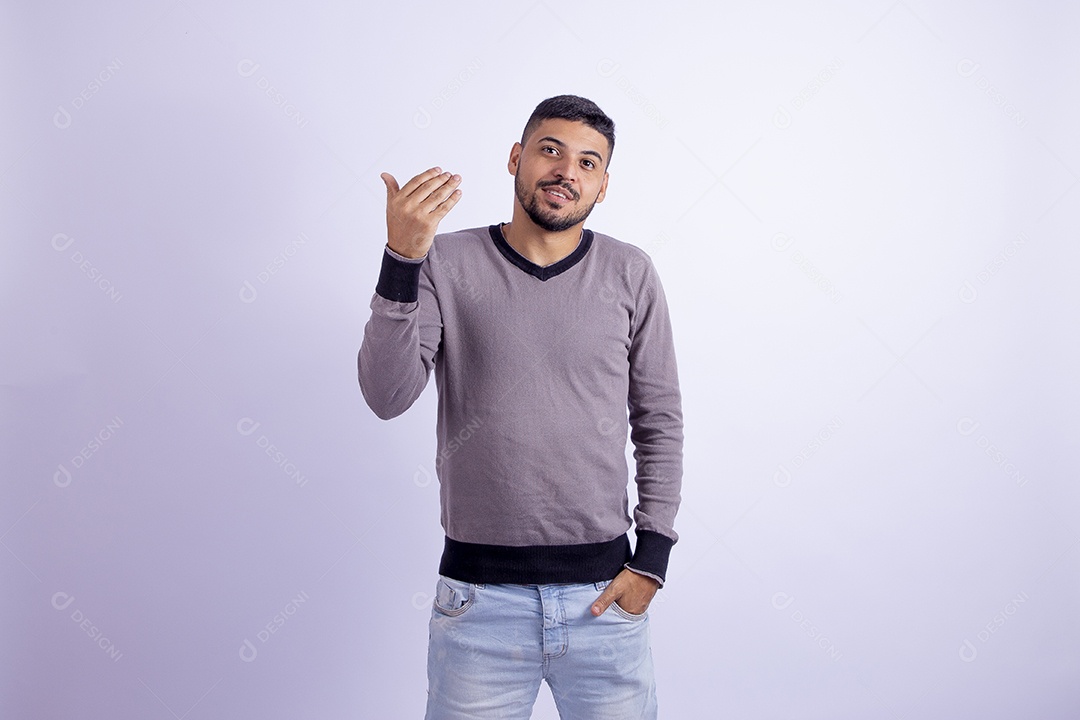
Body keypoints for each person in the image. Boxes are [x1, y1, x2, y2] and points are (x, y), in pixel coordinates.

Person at [357, 95, 683, 719]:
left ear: (603, 187)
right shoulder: (444, 262)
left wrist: (653, 561)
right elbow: (386, 395)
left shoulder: (631, 272)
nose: (567, 171)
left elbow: (660, 421)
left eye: (588, 162)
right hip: (478, 604)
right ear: (516, 158)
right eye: (551, 150)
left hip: (604, 600)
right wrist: (401, 260)